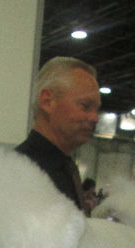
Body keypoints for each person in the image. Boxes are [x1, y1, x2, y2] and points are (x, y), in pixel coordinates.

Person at [15, 56, 100, 214]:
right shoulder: (18, 174)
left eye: (97, 109)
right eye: (85, 106)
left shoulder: (65, 168)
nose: (95, 118)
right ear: (47, 101)